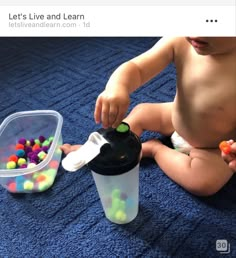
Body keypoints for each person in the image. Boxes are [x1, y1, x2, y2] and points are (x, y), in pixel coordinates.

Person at [61, 37, 236, 196]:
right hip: (176, 117)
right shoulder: (180, 40)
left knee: (203, 183)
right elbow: (137, 68)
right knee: (143, 112)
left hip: (215, 147)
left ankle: (153, 149)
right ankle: (99, 149)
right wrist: (118, 87)